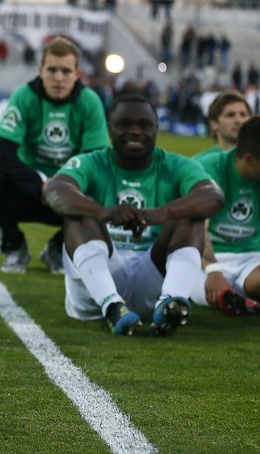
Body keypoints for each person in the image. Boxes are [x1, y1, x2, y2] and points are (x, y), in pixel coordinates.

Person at [43, 94, 224, 336]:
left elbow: (214, 197)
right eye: (125, 124)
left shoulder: (175, 165)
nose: (135, 131)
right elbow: (55, 190)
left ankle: (171, 302)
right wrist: (102, 212)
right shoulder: (91, 162)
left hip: (150, 278)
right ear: (110, 128)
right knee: (79, 212)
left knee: (191, 214)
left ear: (157, 129)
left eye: (145, 125)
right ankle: (111, 305)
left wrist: (159, 214)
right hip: (97, 281)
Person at [0, 38, 108, 274]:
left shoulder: (90, 102)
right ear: (41, 70)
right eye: (52, 70)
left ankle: (59, 248)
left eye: (66, 71)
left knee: (108, 190)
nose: (59, 77)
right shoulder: (24, 96)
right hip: (29, 190)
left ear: (77, 74)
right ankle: (14, 244)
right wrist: (41, 183)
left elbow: (96, 161)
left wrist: (63, 183)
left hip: (71, 192)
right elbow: (3, 155)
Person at [193, 116, 260, 315]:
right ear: (249, 159)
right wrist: (213, 271)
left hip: (251, 262)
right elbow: (196, 228)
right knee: (196, 282)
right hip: (204, 262)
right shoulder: (208, 169)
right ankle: (230, 299)